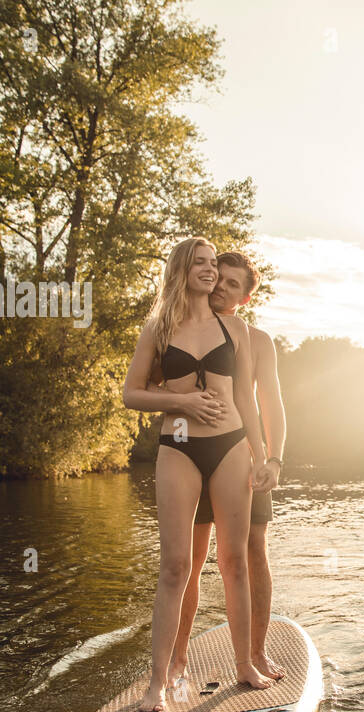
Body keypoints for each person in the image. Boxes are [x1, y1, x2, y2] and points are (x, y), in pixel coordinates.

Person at [122, 237, 271, 712]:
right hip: (179, 446)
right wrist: (181, 400)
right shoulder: (159, 327)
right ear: (183, 269)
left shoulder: (237, 329)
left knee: (234, 561)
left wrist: (263, 453)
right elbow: (132, 393)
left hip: (230, 447)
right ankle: (157, 682)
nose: (210, 271)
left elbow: (247, 399)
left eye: (214, 264)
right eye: (202, 263)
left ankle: (245, 663)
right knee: (175, 567)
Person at [153, 251, 287, 685]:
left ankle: (254, 653)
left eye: (232, 284)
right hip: (188, 449)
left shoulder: (255, 339)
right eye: (219, 279)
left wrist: (271, 455)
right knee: (186, 561)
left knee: (250, 553)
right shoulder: (178, 326)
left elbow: (268, 404)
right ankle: (177, 660)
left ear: (246, 298)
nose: (220, 287)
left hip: (240, 453)